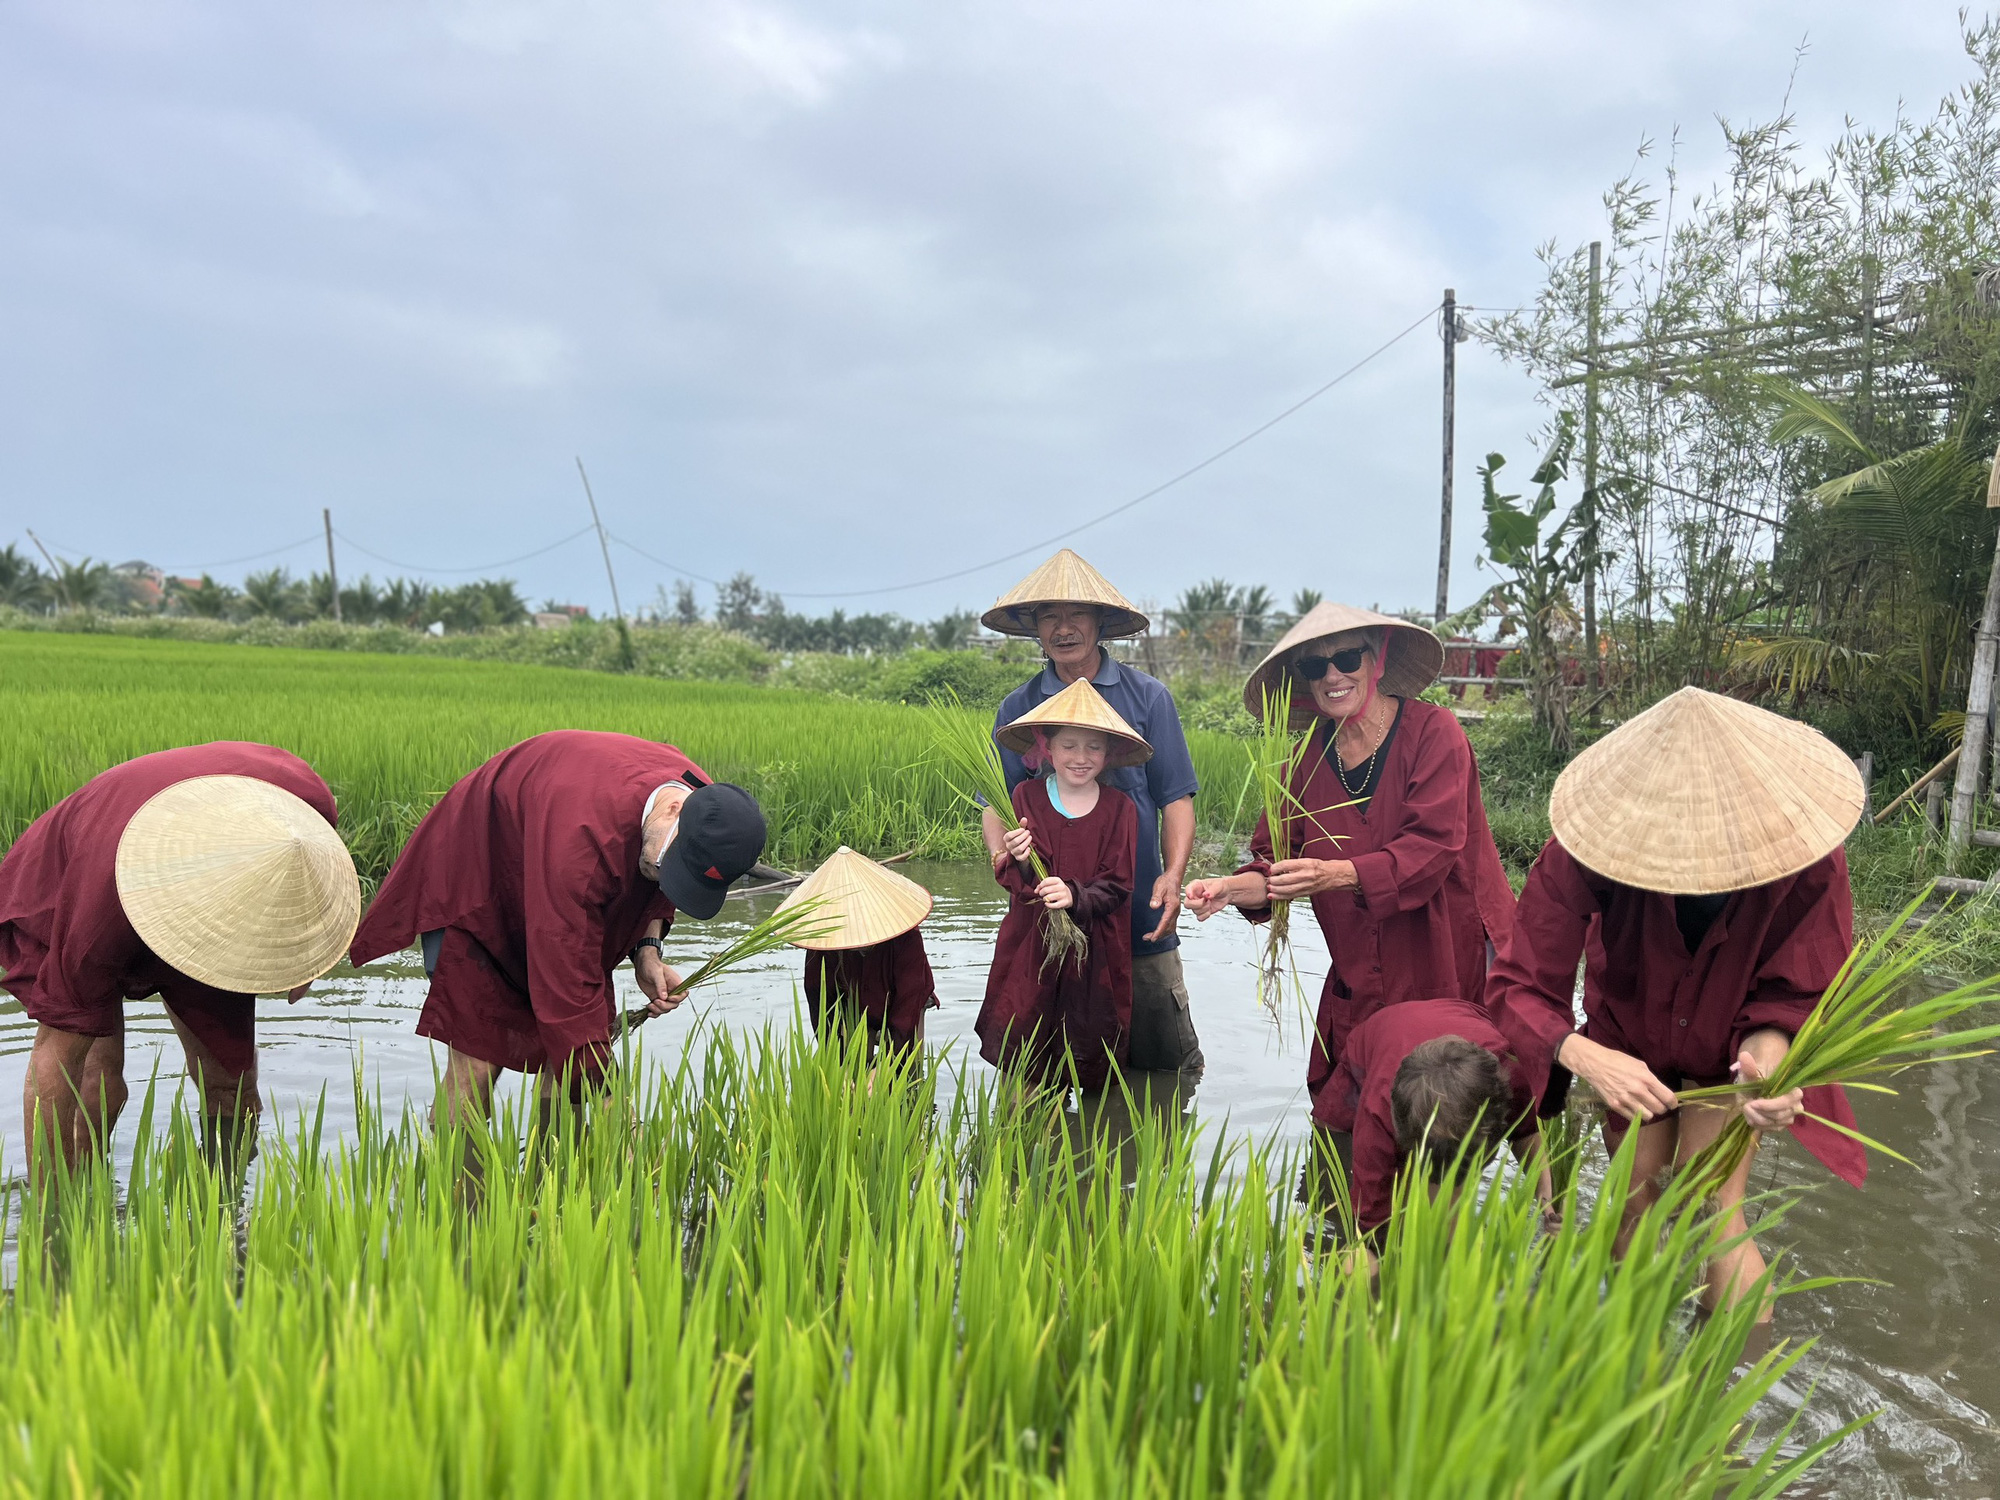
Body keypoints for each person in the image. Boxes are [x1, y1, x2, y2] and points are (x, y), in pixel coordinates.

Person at [1487, 687, 1868, 1319]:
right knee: (1637, 1197)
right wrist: (1587, 1058)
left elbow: (1798, 989)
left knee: (1712, 1205)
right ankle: (1633, 1356)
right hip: (1629, 1032)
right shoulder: (1589, 844)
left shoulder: (1806, 854)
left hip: (1729, 1041)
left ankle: (1731, 1393)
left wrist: (1764, 1065)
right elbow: (1517, 984)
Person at [348, 730, 767, 1125]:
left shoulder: (707, 813)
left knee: (566, 1051)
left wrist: (647, 951)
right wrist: (622, 1118)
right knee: (479, 1050)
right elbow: (566, 987)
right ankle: (456, 1184)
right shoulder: (582, 840)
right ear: (674, 810)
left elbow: (658, 885)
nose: (663, 875)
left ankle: (551, 1168)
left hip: (550, 867)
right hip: (478, 873)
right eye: (666, 866)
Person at [1184, 602, 1515, 1087]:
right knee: (1352, 1111)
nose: (1332, 675)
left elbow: (1433, 848)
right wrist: (1229, 889)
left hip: (1445, 950)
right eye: (1315, 666)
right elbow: (1273, 865)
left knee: (1467, 1103)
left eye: (1346, 658)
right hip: (1361, 965)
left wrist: (1336, 874)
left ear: (1377, 659)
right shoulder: (1301, 762)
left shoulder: (1435, 734)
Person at [0, 744, 361, 1177]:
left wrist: (306, 952)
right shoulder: (101, 910)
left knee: (232, 1087)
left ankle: (228, 1212)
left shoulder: (301, 804)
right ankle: (69, 1203)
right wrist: (49, 1215)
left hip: (221, 879)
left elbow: (318, 859)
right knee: (99, 1081)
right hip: (90, 879)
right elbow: (54, 1056)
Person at [982, 549, 1204, 1073]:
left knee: (1165, 1061)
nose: (1063, 628)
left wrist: (1173, 877)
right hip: (1049, 921)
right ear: (1033, 628)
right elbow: (998, 803)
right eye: (1048, 616)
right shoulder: (1019, 708)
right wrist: (1002, 857)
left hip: (1134, 904)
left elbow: (1175, 798)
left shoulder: (1147, 698)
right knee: (1046, 1060)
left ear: (1100, 621)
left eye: (1076, 614)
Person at [977, 679, 1143, 1092]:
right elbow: (1014, 882)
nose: (1081, 757)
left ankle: (1082, 1147)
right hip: (1030, 948)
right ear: (1047, 747)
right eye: (1069, 745)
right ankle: (1019, 1144)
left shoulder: (1121, 809)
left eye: (1094, 747)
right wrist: (1014, 856)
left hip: (1094, 953)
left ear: (1109, 753)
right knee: (1026, 1053)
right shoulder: (1025, 797)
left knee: (1089, 1050)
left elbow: (1120, 883)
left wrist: (1076, 895)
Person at [1313, 998, 1541, 1257]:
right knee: (1330, 1136)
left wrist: (1547, 1199)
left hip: (1458, 1015)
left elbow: (1527, 1132)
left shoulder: (1509, 1071)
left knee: (1447, 1200)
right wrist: (1375, 1254)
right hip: (1377, 1037)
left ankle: (1445, 1254)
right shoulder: (1377, 1115)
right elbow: (1370, 1230)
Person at [781, 846, 937, 1057]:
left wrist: (890, 1065)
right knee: (850, 1069)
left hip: (903, 997)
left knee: (907, 1070)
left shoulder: (905, 936)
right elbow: (819, 1000)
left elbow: (908, 1002)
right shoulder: (823, 938)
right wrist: (837, 1062)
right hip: (851, 1000)